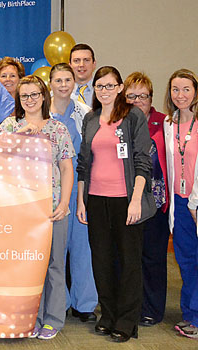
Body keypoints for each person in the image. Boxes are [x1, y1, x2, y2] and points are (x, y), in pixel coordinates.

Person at [76, 66, 155, 342]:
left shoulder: (133, 117)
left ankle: (126, 321)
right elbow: (83, 164)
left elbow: (144, 162)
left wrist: (136, 201)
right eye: (100, 86)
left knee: (130, 262)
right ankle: (107, 315)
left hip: (126, 201)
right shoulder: (91, 118)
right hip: (96, 200)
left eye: (110, 86)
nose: (105, 91)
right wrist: (81, 201)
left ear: (120, 88)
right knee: (102, 260)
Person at [0, 75, 74, 340]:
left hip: (52, 209)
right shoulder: (9, 126)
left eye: (34, 95)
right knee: (25, 267)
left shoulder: (58, 130)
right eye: (24, 96)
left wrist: (64, 202)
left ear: (43, 96)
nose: (29, 100)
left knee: (54, 265)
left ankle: (53, 319)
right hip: (21, 211)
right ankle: (29, 317)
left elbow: (66, 168)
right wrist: (19, 137)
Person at [48, 64, 98, 323]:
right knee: (56, 250)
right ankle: (61, 302)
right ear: (51, 83)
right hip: (51, 189)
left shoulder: (85, 113)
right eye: (58, 80)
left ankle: (85, 304)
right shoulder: (42, 114)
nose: (64, 84)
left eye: (68, 79)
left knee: (82, 248)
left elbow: (90, 154)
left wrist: (83, 195)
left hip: (79, 187)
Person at [123, 72, 170, 327]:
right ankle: (132, 305)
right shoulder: (119, 123)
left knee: (153, 258)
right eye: (131, 95)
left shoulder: (165, 122)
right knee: (129, 259)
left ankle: (152, 308)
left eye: (142, 96)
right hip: (127, 201)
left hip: (155, 204)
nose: (137, 100)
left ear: (151, 98)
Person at [163, 69, 198, 339]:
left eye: (186, 89)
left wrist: (195, 203)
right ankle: (189, 315)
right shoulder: (168, 124)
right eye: (176, 89)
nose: (181, 95)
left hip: (196, 202)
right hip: (179, 202)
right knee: (186, 262)